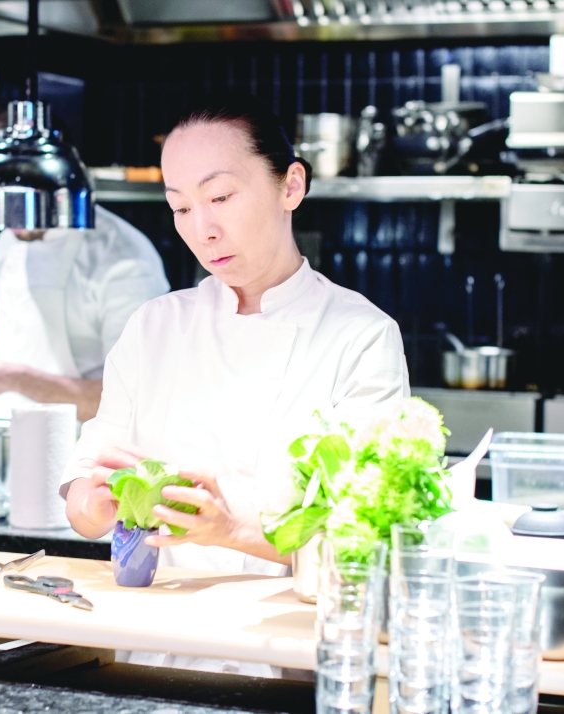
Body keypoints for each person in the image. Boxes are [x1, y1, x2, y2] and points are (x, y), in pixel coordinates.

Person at [58, 96, 409, 674]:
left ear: (290, 186)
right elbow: (82, 488)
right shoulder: (155, 326)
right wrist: (92, 503)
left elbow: (364, 537)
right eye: (181, 207)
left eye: (220, 197)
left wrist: (232, 528)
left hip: (290, 660)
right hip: (153, 655)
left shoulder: (361, 335)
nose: (203, 229)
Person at [0, 204, 170, 420]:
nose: (7, 216)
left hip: (90, 456)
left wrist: (16, 380)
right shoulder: (8, 243)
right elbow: (8, 346)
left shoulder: (123, 255)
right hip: (8, 444)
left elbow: (134, 400)